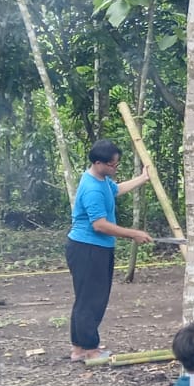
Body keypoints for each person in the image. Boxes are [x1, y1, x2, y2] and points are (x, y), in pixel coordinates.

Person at [66, 139, 151, 363]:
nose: (116, 168)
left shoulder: (102, 179)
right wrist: (133, 233)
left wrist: (142, 179)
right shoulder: (92, 188)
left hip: (97, 248)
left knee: (86, 298)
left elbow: (116, 189)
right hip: (88, 249)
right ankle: (90, 349)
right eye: (113, 165)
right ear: (98, 163)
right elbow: (99, 225)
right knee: (91, 300)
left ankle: (79, 347)